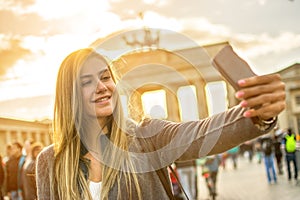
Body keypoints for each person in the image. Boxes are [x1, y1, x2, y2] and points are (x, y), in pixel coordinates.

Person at [36, 48, 285, 199]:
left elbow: (202, 133)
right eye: (86, 82)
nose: (102, 87)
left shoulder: (147, 136)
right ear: (69, 94)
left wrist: (257, 114)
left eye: (105, 77)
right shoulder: (49, 161)